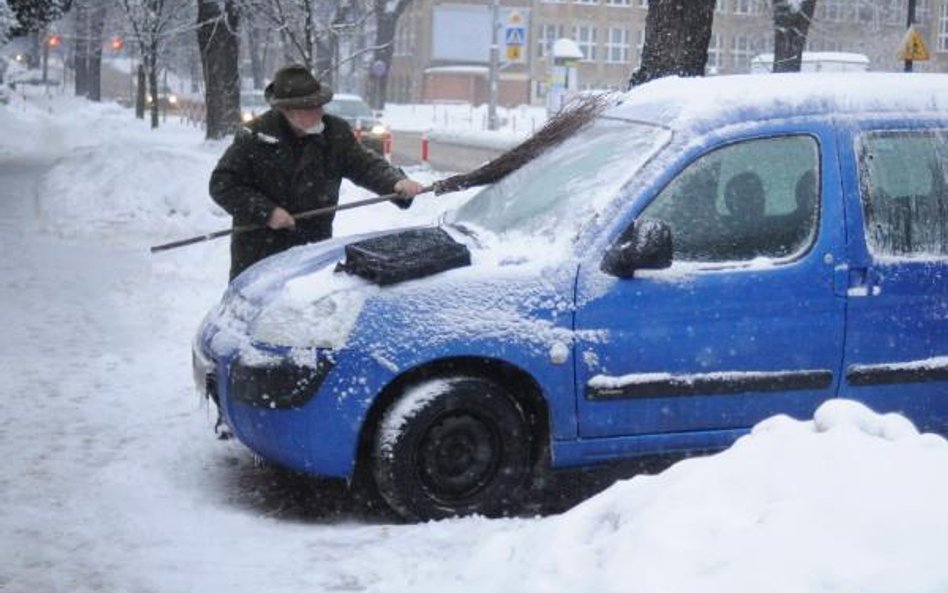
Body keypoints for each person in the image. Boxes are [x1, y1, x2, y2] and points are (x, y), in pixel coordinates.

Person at [210, 64, 425, 280]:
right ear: (288, 111)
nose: (320, 112)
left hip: (312, 252)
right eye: (311, 108)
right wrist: (266, 212)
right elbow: (222, 184)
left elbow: (365, 164)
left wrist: (395, 183)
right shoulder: (255, 136)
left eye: (320, 105)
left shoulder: (335, 132)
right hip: (258, 256)